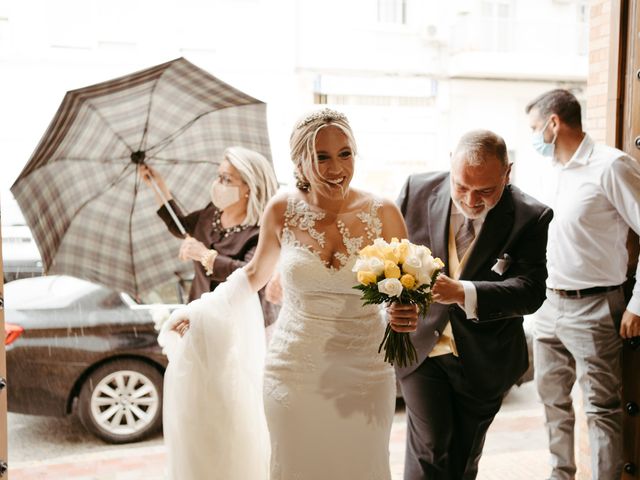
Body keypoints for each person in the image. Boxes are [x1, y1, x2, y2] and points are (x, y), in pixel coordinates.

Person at [161, 108, 411, 480]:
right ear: (299, 161)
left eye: (345, 154)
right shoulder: (281, 208)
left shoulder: (384, 211)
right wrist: (200, 313)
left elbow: (404, 289)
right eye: (321, 157)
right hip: (295, 369)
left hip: (365, 372)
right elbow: (253, 274)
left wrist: (404, 312)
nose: (335, 168)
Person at [391, 129, 553, 479]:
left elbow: (530, 291)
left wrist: (464, 292)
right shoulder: (415, 190)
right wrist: (391, 305)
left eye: (485, 191)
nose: (470, 200)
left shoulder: (531, 216)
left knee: (464, 458)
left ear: (507, 173)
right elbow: (390, 257)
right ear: (451, 163)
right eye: (461, 186)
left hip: (485, 357)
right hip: (421, 349)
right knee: (430, 448)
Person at [525, 88, 640, 480]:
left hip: (595, 307)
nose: (533, 137)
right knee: (552, 403)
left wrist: (638, 304)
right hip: (547, 305)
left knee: (601, 409)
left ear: (554, 123)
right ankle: (561, 475)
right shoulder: (547, 172)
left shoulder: (611, 166)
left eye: (535, 128)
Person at [139, 146, 279, 326]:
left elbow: (250, 274)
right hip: (200, 317)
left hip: (241, 324)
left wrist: (205, 255)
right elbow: (180, 226)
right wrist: (158, 186)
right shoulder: (210, 213)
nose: (218, 183)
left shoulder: (261, 230)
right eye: (218, 176)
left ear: (249, 187)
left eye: (226, 179)